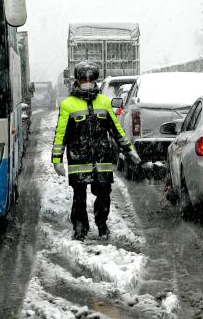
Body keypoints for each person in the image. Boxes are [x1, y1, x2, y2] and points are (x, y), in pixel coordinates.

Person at [52, 61, 141, 241]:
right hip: (78, 160)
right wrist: (57, 159)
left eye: (90, 80)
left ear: (95, 81)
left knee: (104, 195)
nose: (87, 83)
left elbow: (116, 130)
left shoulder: (104, 103)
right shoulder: (68, 104)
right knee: (79, 197)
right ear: (77, 81)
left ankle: (102, 224)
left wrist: (129, 150)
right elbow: (61, 134)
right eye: (83, 80)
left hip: (102, 160)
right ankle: (80, 228)